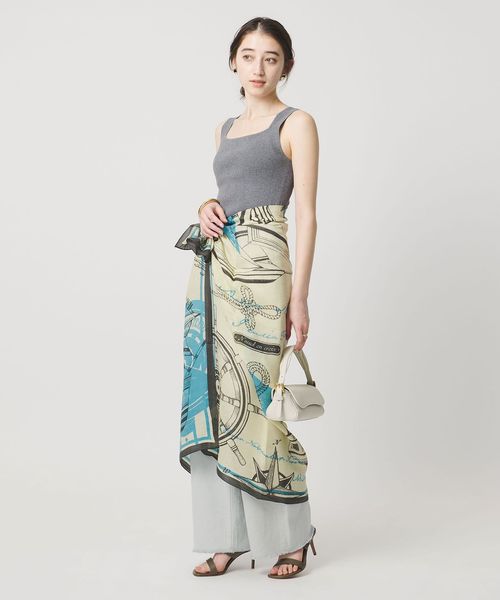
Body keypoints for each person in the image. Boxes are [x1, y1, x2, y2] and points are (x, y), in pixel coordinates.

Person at [174, 16, 319, 579]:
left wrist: (299, 298)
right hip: (215, 271)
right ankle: (225, 537)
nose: (259, 68)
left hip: (265, 273)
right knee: (215, 400)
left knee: (258, 401)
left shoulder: (296, 122)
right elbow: (230, 194)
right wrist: (206, 204)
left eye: (271, 57)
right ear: (233, 61)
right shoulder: (224, 128)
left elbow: (305, 215)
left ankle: (291, 537)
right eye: (249, 56)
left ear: (286, 66)